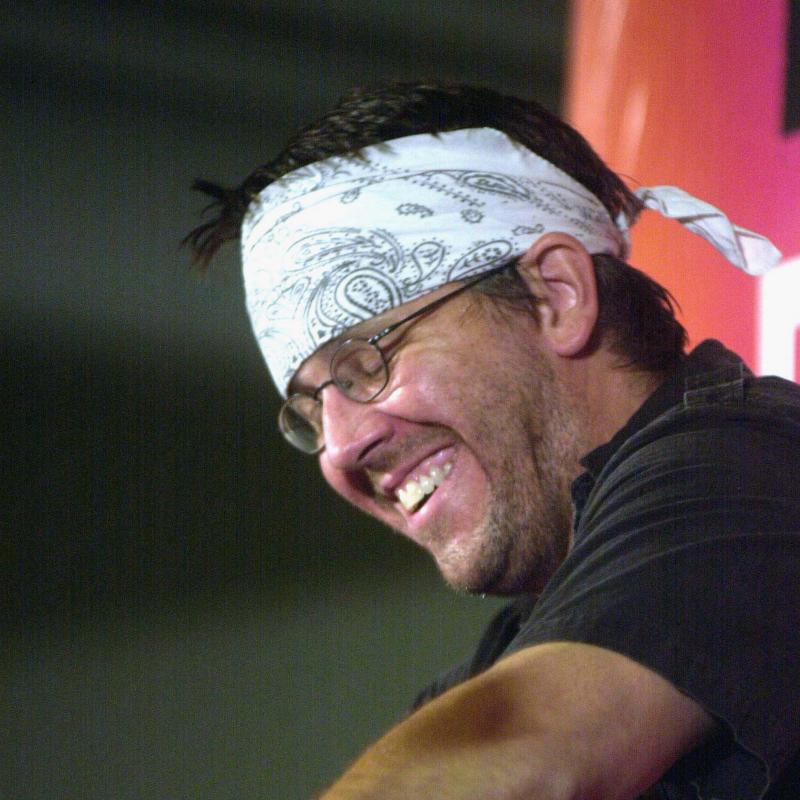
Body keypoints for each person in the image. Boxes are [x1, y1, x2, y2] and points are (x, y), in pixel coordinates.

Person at [185, 83, 800, 799]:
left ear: (554, 294)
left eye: (365, 364)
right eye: (311, 415)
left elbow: (520, 755)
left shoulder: (754, 467)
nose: (340, 448)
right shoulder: (500, 663)